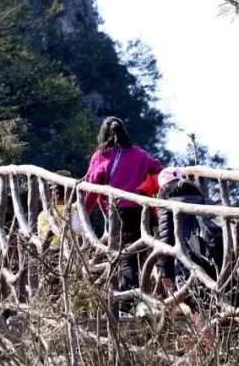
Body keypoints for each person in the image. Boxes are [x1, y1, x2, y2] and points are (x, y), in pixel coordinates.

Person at [84, 116, 163, 293]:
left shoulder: (101, 156)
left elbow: (92, 186)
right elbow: (159, 169)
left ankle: (127, 298)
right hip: (139, 211)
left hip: (116, 213)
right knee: (134, 254)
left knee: (122, 255)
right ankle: (136, 295)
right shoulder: (140, 154)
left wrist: (84, 212)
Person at [156, 167, 212, 332]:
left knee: (195, 304)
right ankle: (214, 348)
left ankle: (214, 351)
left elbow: (166, 240)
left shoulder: (166, 202)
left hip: (186, 258)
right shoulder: (201, 198)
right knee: (206, 301)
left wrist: (165, 274)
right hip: (212, 255)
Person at [37, 182, 83, 249]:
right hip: (63, 247)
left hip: (45, 247)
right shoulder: (71, 211)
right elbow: (78, 229)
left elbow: (39, 235)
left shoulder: (41, 215)